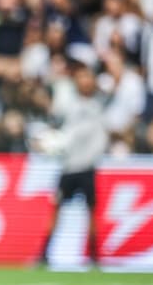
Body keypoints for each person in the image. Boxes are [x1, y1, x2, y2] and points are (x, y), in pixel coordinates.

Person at [34, 59, 108, 266]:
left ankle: (93, 255)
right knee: (56, 208)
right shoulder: (68, 104)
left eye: (88, 77)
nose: (84, 81)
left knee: (91, 210)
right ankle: (44, 252)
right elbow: (58, 127)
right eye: (81, 77)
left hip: (88, 166)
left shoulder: (100, 102)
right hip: (68, 166)